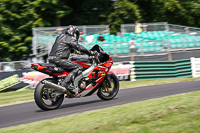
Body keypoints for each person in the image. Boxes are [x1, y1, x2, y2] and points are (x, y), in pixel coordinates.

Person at [48, 25, 97, 90]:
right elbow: (78, 47)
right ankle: (65, 84)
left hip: (51, 59)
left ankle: (66, 83)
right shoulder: (69, 38)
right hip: (59, 59)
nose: (75, 36)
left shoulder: (60, 37)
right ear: (73, 32)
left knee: (68, 69)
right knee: (78, 67)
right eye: (75, 34)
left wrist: (80, 52)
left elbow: (66, 48)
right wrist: (90, 53)